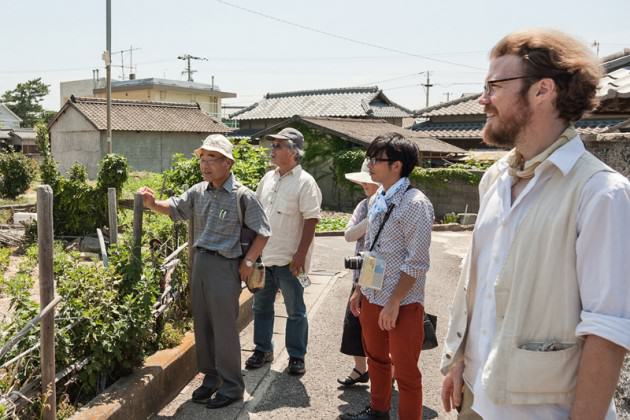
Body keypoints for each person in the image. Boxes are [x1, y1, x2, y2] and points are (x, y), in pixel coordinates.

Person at [440, 29, 630, 420]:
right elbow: (477, 282)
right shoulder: (494, 178)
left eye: (494, 85)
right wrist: (459, 360)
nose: (483, 98)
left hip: (544, 411)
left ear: (543, 91)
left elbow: (608, 332)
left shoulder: (601, 193)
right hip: (476, 396)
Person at [138, 134, 271, 409]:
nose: (205, 164)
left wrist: (247, 263)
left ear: (228, 163)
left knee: (223, 328)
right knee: (203, 325)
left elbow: (263, 232)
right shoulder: (199, 191)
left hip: (225, 266)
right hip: (200, 262)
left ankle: (232, 386)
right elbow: (174, 207)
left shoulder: (242, 195)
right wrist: (152, 203)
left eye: (212, 158)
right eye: (203, 158)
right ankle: (211, 378)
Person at [341, 133, 434, 420]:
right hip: (372, 294)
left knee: (405, 371)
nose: (369, 165)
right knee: (377, 359)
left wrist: (394, 302)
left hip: (403, 302)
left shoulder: (416, 204)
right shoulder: (377, 198)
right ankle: (378, 411)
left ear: (397, 165)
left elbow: (417, 262)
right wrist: (359, 289)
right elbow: (371, 249)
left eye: (376, 159)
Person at [245, 127, 322, 375]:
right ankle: (262, 349)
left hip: (291, 261)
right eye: (273, 145)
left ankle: (297, 356)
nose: (272, 150)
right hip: (264, 258)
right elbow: (256, 216)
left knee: (295, 310)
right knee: (260, 307)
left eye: (278, 145)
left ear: (294, 151)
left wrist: (300, 255)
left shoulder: (305, 182)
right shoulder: (268, 179)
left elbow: (311, 220)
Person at [337, 159, 379, 387]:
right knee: (354, 324)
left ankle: (383, 369)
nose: (365, 185)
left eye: (369, 181)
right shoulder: (364, 206)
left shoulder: (396, 204)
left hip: (382, 275)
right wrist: (372, 219)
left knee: (379, 327)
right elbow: (349, 234)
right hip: (361, 273)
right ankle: (361, 368)